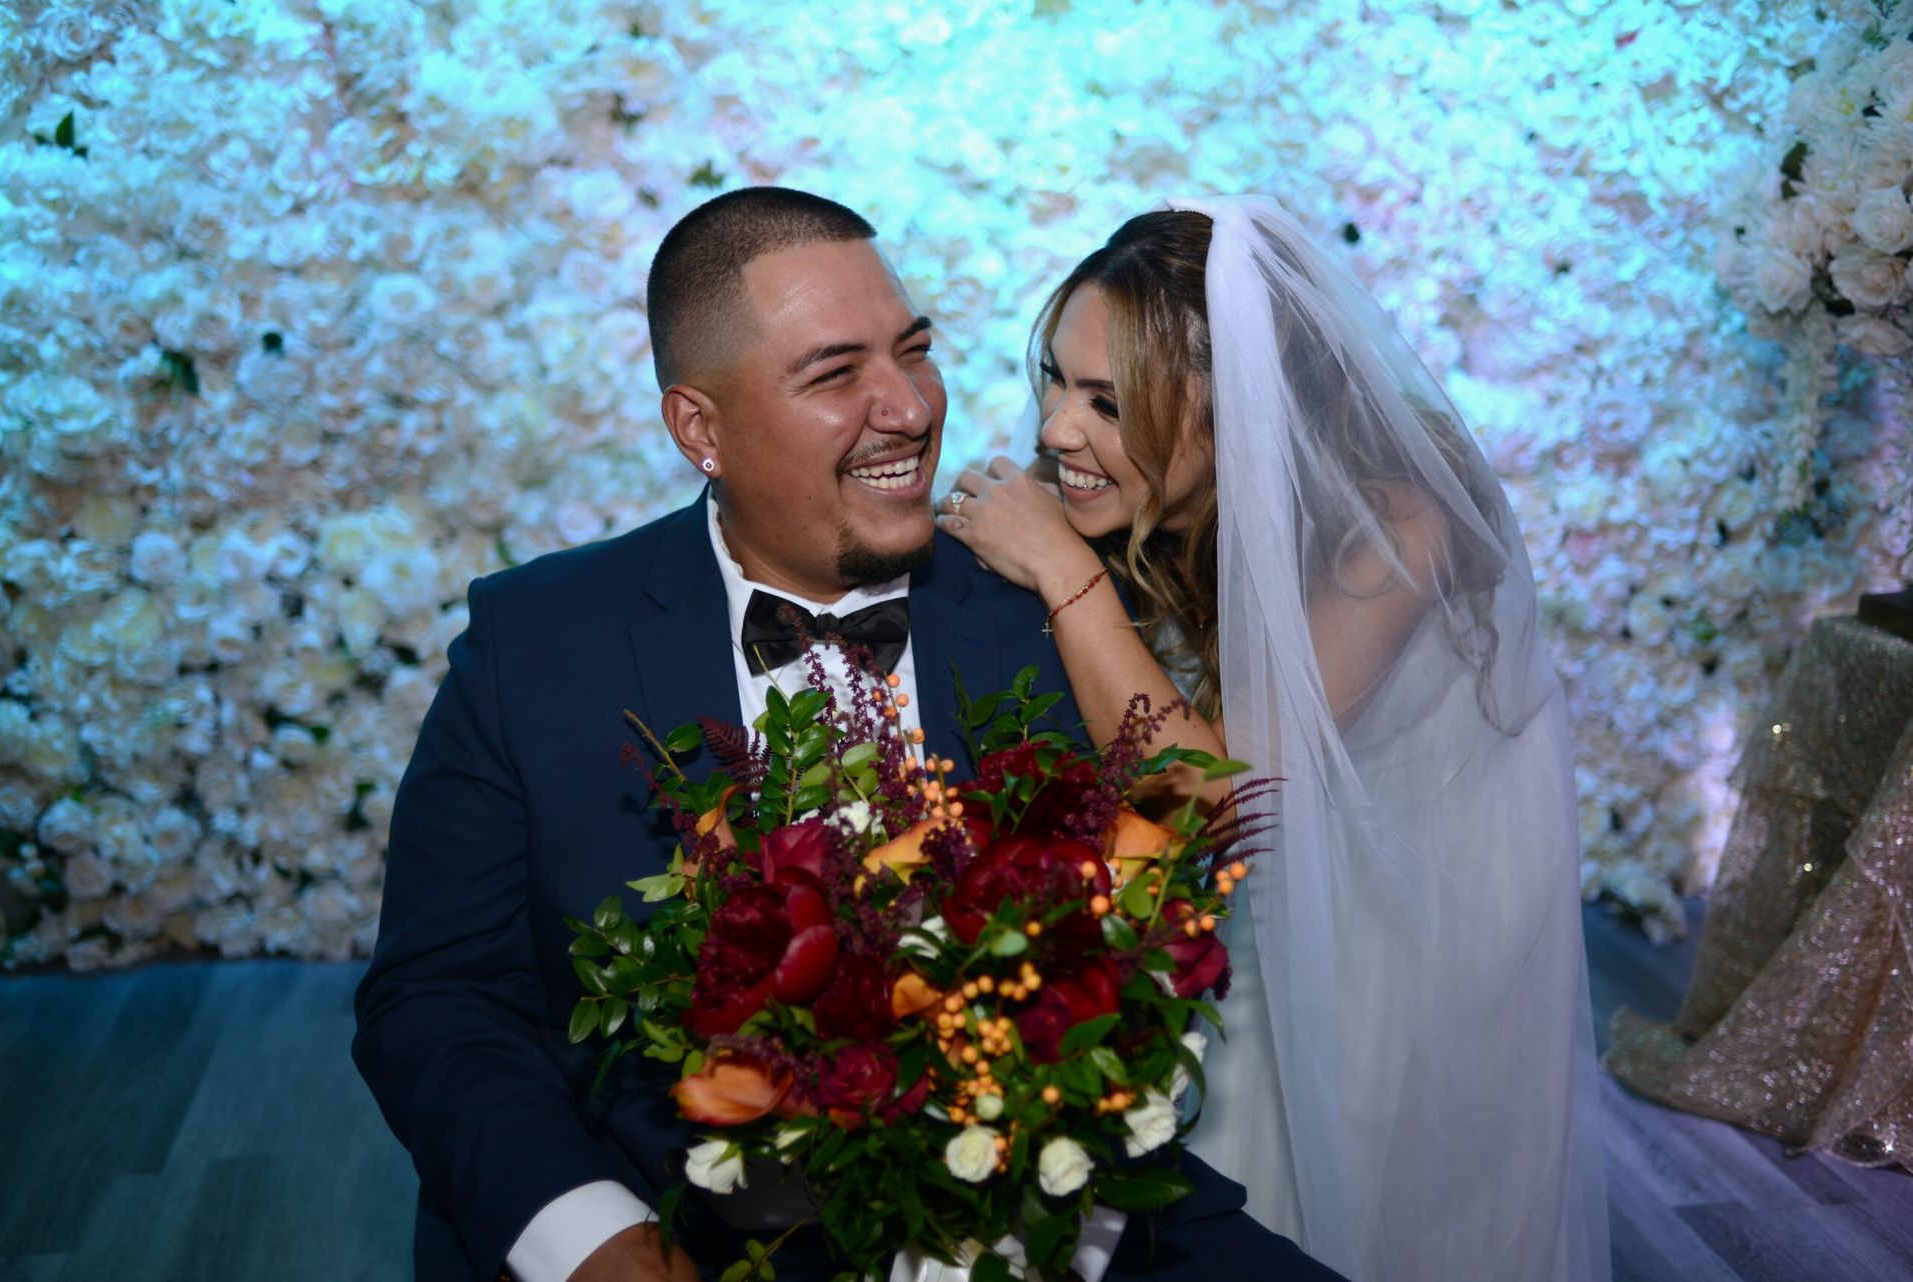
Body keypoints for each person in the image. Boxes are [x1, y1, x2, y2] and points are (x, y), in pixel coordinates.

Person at [353, 187, 1345, 1282]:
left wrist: (1027, 1229)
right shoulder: (538, 644)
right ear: (701, 428)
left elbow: (1172, 903)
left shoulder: (1060, 616)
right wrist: (595, 1238)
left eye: (913, 351)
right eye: (835, 374)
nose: (911, 407)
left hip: (1054, 1216)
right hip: (675, 1222)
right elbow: (438, 998)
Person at [935, 196, 1611, 1282]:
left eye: (1110, 403)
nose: (1058, 430)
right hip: (1259, 890)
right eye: (1057, 381)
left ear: (1240, 407)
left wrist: (1062, 572)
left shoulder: (1399, 524)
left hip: (1408, 913)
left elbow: (1215, 798)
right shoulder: (1144, 507)